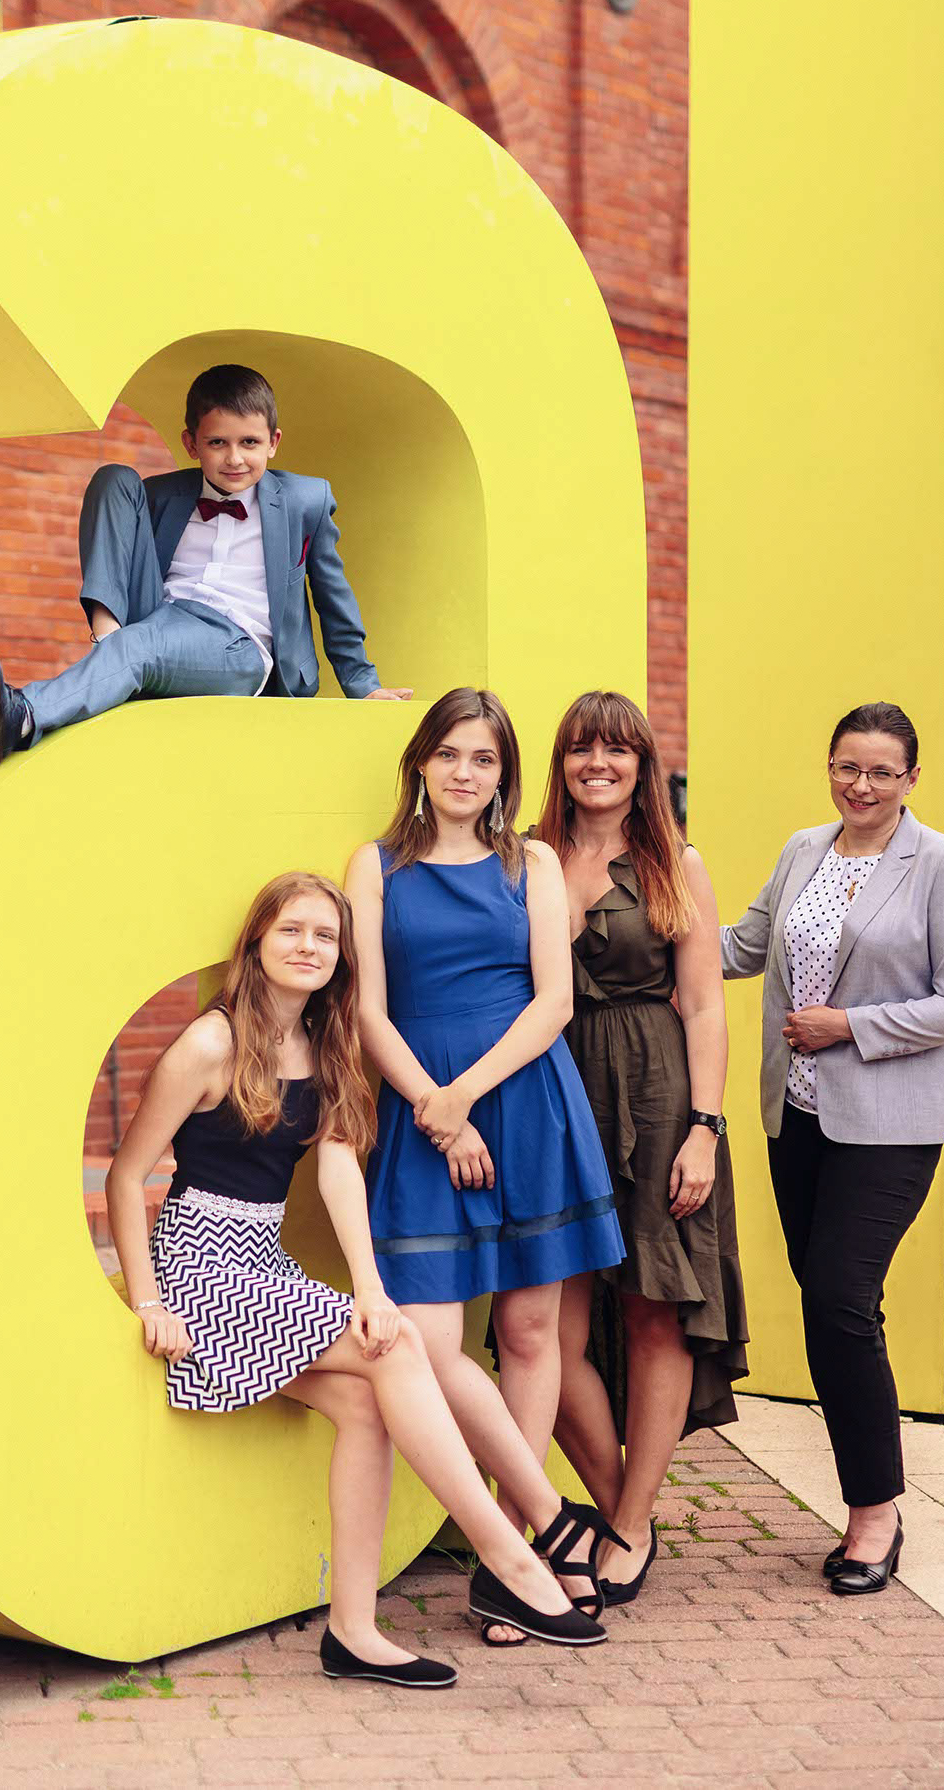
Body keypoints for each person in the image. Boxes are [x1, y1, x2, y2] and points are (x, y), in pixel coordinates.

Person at [106, 870, 608, 1681]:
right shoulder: (209, 1044)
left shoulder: (323, 1043)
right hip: (198, 1267)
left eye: (325, 936)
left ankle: (353, 1632)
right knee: (400, 1347)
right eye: (291, 931)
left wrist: (369, 1289)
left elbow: (338, 1168)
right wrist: (148, 1298)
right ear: (255, 942)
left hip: (260, 1261)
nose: (308, 948)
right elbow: (127, 1174)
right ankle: (512, 1555)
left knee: (369, 1402)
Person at [345, 688, 626, 1648]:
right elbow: (368, 1010)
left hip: (524, 1101)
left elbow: (553, 1002)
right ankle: (552, 1524)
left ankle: (517, 1553)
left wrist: (463, 1097)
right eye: (450, 754)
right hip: (418, 1104)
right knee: (424, 1342)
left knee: (531, 1331)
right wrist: (437, 1108)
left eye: (485, 759)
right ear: (420, 763)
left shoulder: (530, 862)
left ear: (504, 775)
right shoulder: (375, 866)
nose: (465, 773)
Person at [721, 701, 944, 1596]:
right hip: (795, 1116)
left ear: (910, 778)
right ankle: (869, 1496)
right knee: (831, 1310)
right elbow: (741, 948)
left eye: (880, 771)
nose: (861, 786)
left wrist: (849, 1026)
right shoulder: (803, 849)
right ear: (828, 766)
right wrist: (622, 928)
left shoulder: (940, 862)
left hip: (891, 1122)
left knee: (840, 1300)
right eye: (847, 767)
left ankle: (874, 1514)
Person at [536, 691, 747, 1609]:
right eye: (581, 747)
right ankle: (628, 1507)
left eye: (616, 749)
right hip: (553, 1093)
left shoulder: (674, 862)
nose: (598, 763)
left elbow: (702, 1003)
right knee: (548, 1332)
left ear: (641, 765)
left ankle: (625, 1524)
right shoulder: (528, 857)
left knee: (656, 1310)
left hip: (658, 1098)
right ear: (560, 762)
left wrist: (705, 1128)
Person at [0, 363, 410, 767]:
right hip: (157, 618)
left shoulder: (304, 501)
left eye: (249, 442)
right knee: (115, 478)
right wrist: (116, 633)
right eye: (217, 443)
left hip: (238, 645)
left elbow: (333, 597)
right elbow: (121, 545)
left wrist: (363, 685)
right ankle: (110, 641)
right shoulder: (162, 495)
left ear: (273, 442)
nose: (234, 458)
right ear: (191, 444)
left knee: (142, 646)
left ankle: (23, 717)